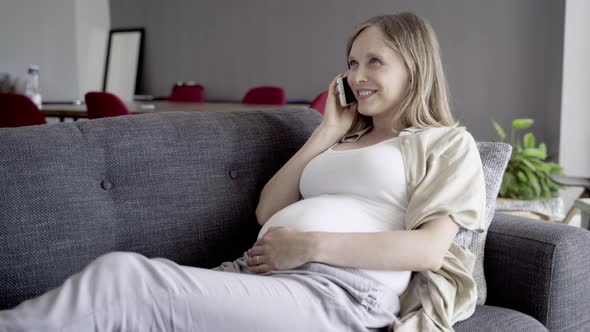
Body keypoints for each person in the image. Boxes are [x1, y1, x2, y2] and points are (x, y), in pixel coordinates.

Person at [0, 12, 485, 332]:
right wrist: (325, 133)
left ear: (415, 68)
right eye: (352, 62)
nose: (356, 76)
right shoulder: (345, 137)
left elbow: (428, 248)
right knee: (124, 299)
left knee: (125, 278)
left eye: (374, 62)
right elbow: (269, 209)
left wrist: (310, 245)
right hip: (268, 275)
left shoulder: (445, 143)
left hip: (341, 292)